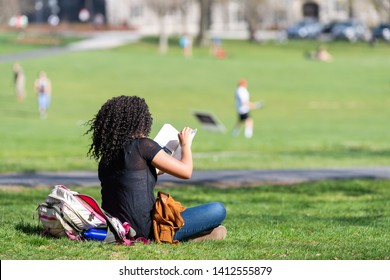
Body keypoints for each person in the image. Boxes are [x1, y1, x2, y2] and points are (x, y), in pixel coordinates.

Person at [85, 95, 227, 242]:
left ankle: (196, 236)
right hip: (146, 230)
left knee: (206, 222)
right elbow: (186, 172)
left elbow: (138, 180)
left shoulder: (107, 158)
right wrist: (185, 144)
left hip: (118, 229)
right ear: (141, 121)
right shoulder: (143, 145)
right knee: (217, 210)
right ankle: (172, 235)